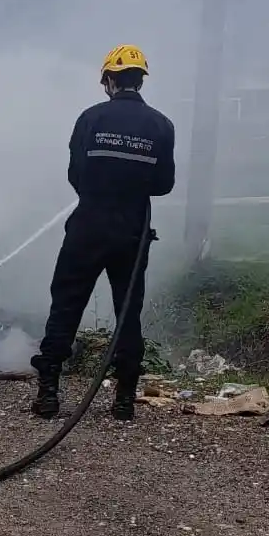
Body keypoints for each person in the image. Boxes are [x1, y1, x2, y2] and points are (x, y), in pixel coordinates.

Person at [30, 44, 176, 422]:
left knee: (66, 305)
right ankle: (124, 399)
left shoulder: (90, 119)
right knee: (127, 312)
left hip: (88, 227)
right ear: (140, 81)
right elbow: (164, 184)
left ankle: (48, 392)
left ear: (110, 80)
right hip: (133, 231)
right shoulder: (162, 125)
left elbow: (75, 174)